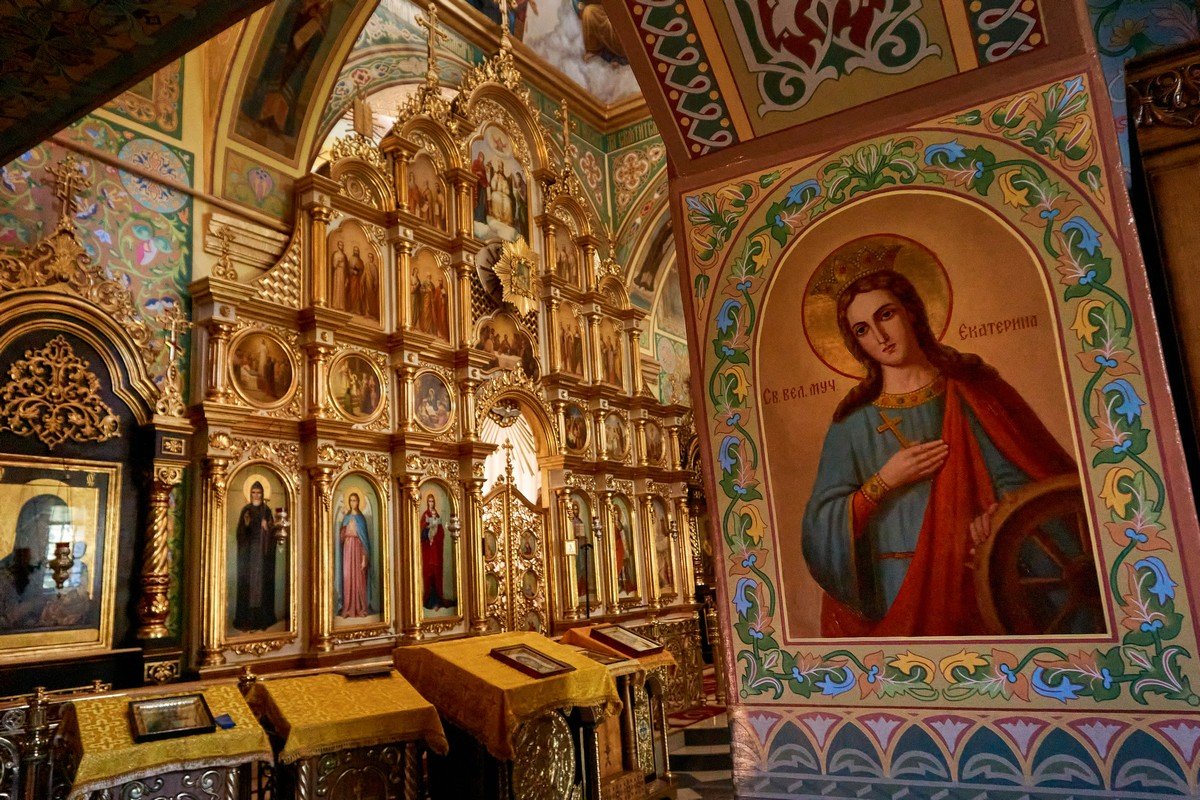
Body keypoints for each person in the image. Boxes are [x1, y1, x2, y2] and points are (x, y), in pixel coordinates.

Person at [802, 259, 1080, 637]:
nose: (880, 336)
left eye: (886, 315)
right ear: (856, 342)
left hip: (969, 581)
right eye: (863, 329)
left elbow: (1023, 473)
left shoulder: (972, 389)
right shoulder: (851, 423)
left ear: (912, 312)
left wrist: (999, 513)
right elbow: (820, 528)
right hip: (892, 591)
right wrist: (883, 482)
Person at [233, 481, 278, 631]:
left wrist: (267, 528)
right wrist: (246, 525)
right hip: (249, 554)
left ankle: (262, 619)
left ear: (263, 494)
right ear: (250, 494)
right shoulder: (246, 510)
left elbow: (273, 533)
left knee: (261, 585)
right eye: (253, 492)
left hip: (262, 555)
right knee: (249, 585)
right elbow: (240, 533)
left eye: (258, 492)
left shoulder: (266, 510)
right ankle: (247, 620)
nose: (256, 495)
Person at [334, 492, 374, 617]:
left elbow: (365, 540)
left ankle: (361, 608)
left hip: (358, 548)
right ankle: (347, 608)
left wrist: (364, 558)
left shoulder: (361, 519)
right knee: (347, 577)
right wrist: (343, 528)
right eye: (351, 500)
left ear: (358, 502)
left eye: (355, 500)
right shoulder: (346, 518)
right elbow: (341, 538)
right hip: (347, 549)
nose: (353, 503)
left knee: (359, 578)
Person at [420, 494, 447, 610]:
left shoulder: (438, 516)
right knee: (429, 573)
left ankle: (438, 600)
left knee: (436, 573)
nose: (431, 503)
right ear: (427, 503)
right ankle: (429, 601)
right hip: (428, 550)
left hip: (436, 550)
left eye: (432, 501)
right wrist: (428, 533)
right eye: (429, 501)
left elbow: (441, 533)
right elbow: (421, 532)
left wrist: (436, 537)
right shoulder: (425, 515)